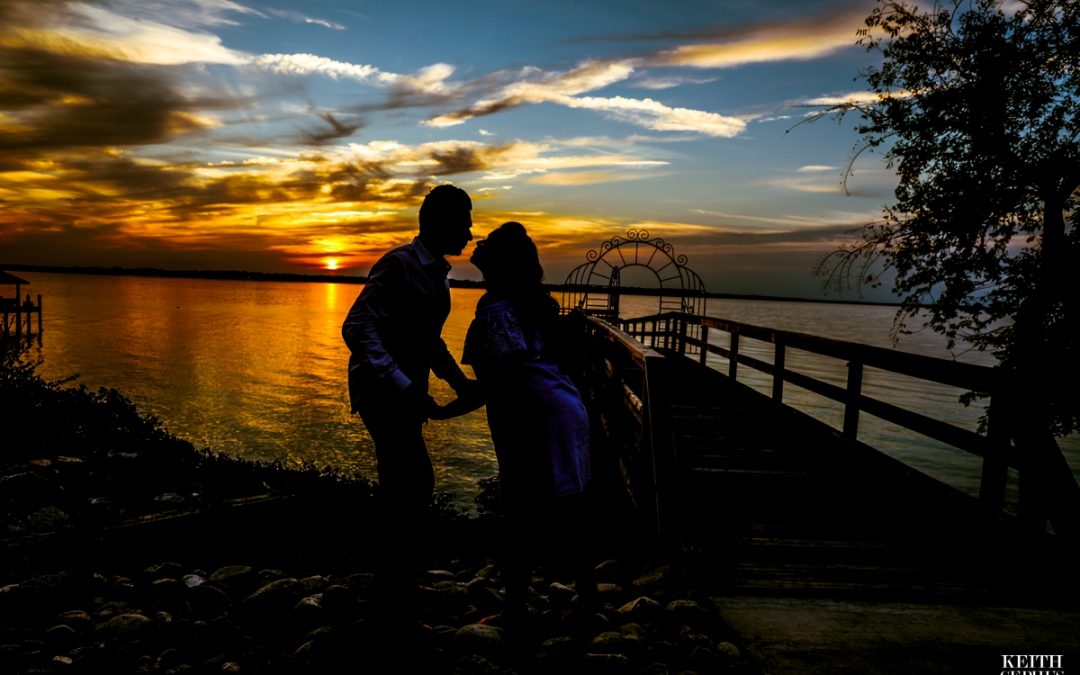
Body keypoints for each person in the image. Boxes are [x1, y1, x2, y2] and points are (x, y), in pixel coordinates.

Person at [341, 183, 479, 626]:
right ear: (439, 223)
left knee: (406, 485)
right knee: (412, 482)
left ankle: (395, 584)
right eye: (464, 220)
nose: (471, 230)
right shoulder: (399, 264)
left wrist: (460, 383)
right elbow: (357, 326)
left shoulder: (435, 271)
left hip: (404, 394)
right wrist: (403, 385)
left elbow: (427, 338)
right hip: (382, 393)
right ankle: (392, 592)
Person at [455, 221, 596, 627]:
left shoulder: (499, 309)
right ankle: (587, 598)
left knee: (519, 511)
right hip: (564, 405)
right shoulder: (529, 304)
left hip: (535, 412)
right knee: (570, 508)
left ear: (498, 267)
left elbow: (501, 381)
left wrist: (444, 410)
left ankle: (516, 609)